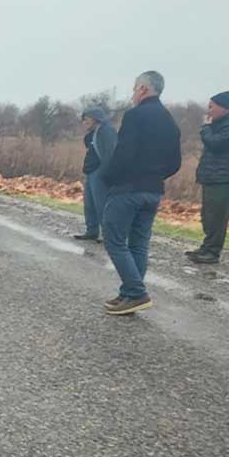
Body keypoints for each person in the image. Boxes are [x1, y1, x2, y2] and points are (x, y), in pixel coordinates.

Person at [99, 70, 182, 315]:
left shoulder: (135, 116)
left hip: (128, 189)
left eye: (135, 88)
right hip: (153, 191)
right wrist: (154, 176)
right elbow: (175, 163)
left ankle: (136, 292)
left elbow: (123, 154)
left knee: (114, 239)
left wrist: (108, 177)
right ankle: (128, 294)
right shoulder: (170, 121)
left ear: (144, 89)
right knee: (139, 243)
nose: (133, 93)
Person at [186, 90, 229, 265]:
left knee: (218, 216)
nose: (209, 111)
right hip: (212, 177)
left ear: (223, 107)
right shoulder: (220, 123)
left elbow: (214, 143)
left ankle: (213, 252)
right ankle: (206, 247)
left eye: (211, 107)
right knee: (208, 215)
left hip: (224, 179)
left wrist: (206, 127)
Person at [74, 107, 118, 242]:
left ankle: (108, 235)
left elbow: (110, 153)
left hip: (100, 172)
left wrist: (106, 172)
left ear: (95, 119)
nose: (84, 123)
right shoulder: (94, 132)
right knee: (90, 204)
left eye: (86, 119)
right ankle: (91, 230)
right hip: (91, 172)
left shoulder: (107, 131)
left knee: (101, 205)